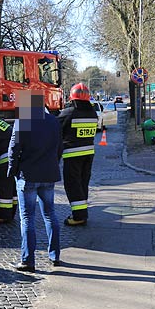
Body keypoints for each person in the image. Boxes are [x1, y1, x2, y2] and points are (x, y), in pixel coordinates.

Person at [8, 90, 62, 273]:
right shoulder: (54, 121)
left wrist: (12, 172)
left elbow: (13, 150)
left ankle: (28, 261)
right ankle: (55, 255)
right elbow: (59, 148)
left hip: (27, 176)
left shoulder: (22, 121)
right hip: (49, 175)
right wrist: (53, 166)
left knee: (27, 218)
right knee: (50, 214)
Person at [57, 83, 98, 226]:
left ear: (72, 98)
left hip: (72, 154)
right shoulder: (93, 113)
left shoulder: (69, 112)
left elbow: (56, 129)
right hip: (89, 153)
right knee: (82, 183)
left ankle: (79, 216)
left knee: (73, 184)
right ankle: (81, 212)